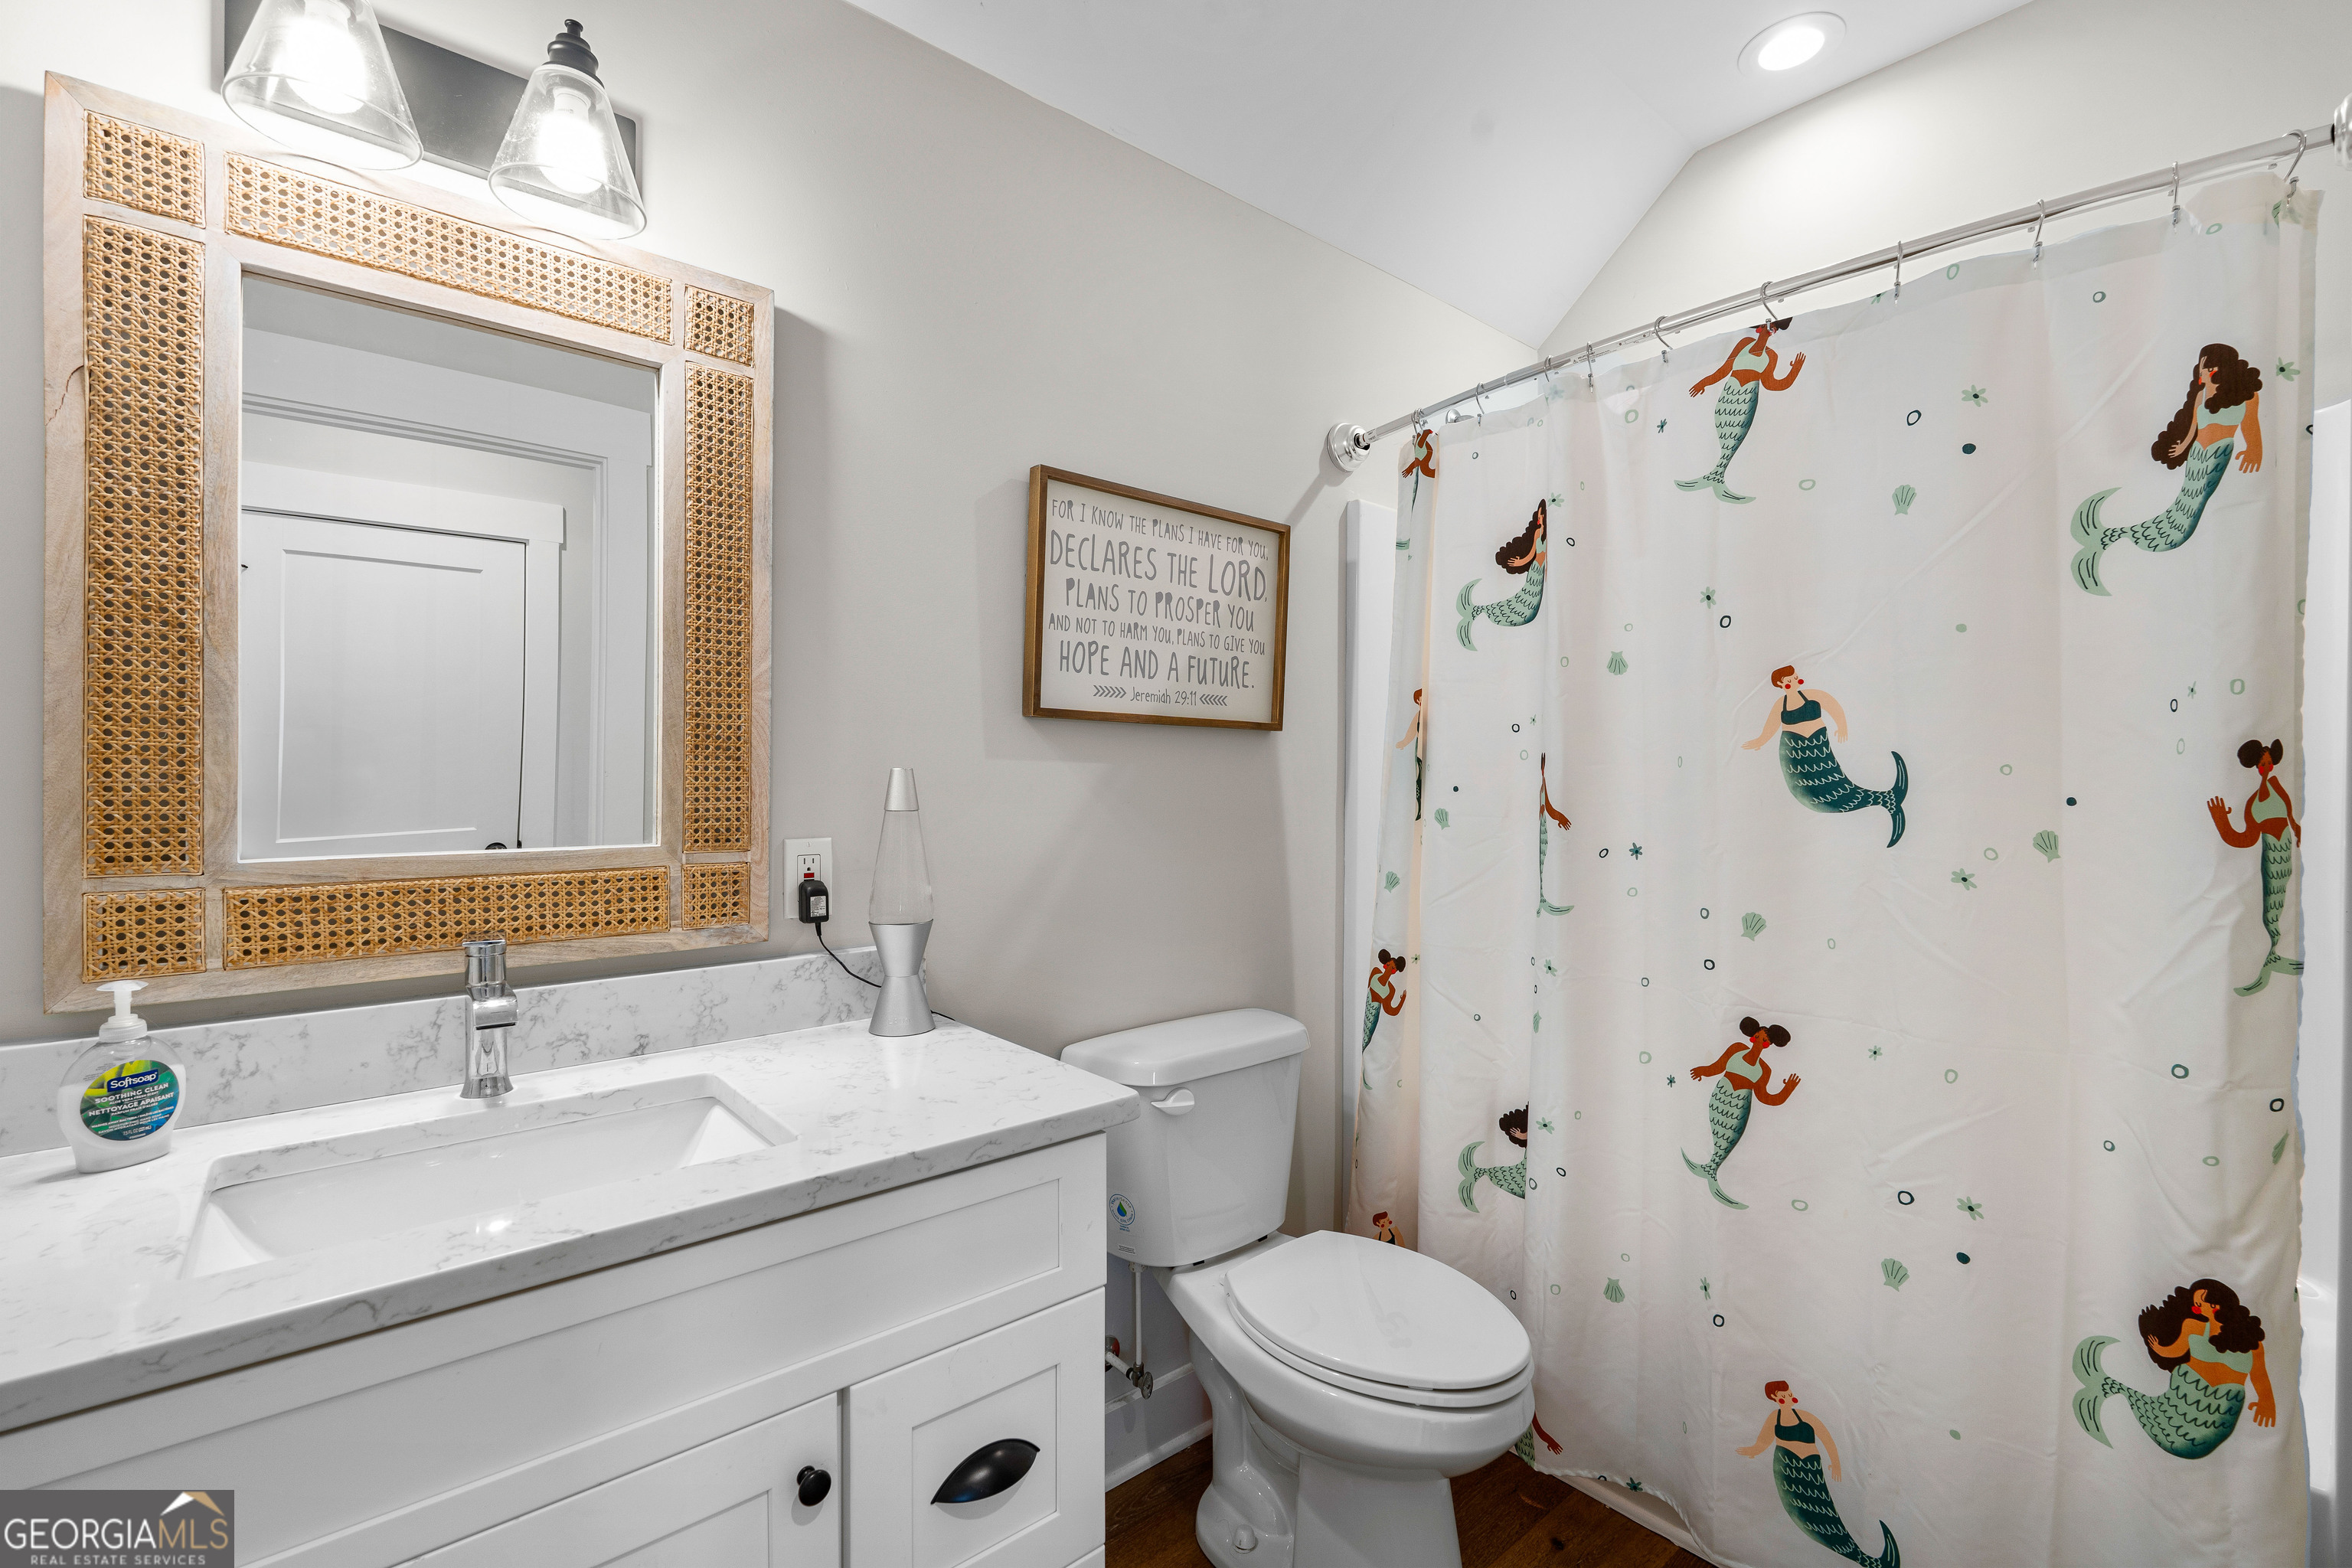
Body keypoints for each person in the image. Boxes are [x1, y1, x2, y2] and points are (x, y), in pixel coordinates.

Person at [2069, 343, 2263, 594]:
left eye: (2207, 368)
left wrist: (2254, 450)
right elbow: (2194, 427)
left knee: (2192, 508)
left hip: (2218, 454)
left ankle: (2121, 537)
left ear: (2220, 369)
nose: (2201, 374)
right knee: (2181, 503)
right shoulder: (2201, 395)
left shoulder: (2246, 396)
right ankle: (2112, 536)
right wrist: (2182, 447)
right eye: (2201, 369)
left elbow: (2252, 427)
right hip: (2197, 456)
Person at [2073, 1279, 2275, 1459]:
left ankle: (2106, 1386)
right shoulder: (2194, 1327)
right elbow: (2174, 1351)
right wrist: (2157, 1348)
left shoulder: (2250, 1341)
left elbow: (2260, 1376)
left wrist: (2267, 1401)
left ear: (2216, 1305)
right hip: (2180, 1405)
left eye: (2200, 1303)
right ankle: (2105, 1386)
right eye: (2195, 1305)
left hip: (2219, 1413)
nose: (2196, 1309)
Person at [1735, 1380, 1897, 1566]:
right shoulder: (1774, 1418)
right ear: (1774, 1398)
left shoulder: (1805, 1416)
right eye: (1783, 1396)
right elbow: (1763, 1443)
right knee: (1805, 1516)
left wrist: (1835, 1463)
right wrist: (1751, 1451)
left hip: (1811, 1469)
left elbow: (1826, 1438)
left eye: (1789, 1394)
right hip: (1788, 1469)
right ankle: (1863, 1560)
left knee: (1826, 1512)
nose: (1788, 1398)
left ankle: (1864, 1559)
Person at [1742, 665, 1907, 847]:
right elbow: (1770, 728)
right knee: (1811, 796)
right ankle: (1886, 799)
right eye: (1789, 680)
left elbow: (1833, 706)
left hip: (1818, 747)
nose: (1795, 682)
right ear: (1781, 684)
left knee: (1836, 785)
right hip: (1793, 752)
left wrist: (1841, 725)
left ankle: (1886, 798)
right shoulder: (1780, 705)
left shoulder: (1813, 695)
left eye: (1795, 678)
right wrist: (1759, 742)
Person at [2208, 738, 2303, 995]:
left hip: (2286, 852)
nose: (2268, 767)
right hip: (2272, 854)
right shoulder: (2252, 804)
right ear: (2256, 767)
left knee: (2284, 899)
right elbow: (2245, 839)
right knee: (2271, 902)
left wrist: (2296, 828)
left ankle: (2276, 955)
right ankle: (2269, 957)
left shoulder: (2277, 786)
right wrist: (2222, 823)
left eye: (2270, 762)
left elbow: (2289, 812)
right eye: (2263, 764)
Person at [1677, 318, 1805, 503]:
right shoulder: (1744, 343)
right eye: (1766, 326)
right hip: (1729, 396)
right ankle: (1716, 475)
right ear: (1759, 328)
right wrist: (1704, 382)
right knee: (1723, 432)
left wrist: (1795, 371)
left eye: (1774, 328)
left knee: (1736, 436)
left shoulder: (1772, 356)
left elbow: (1772, 384)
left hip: (1746, 399)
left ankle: (1718, 475)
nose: (1769, 330)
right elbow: (1724, 370)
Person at [1684, 1018, 1797, 1208]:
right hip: (1721, 1098)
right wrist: (1703, 1071)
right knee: (1717, 1130)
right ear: (1752, 1037)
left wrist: (1788, 1090)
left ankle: (1713, 1168)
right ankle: (1711, 1167)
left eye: (1764, 1040)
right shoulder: (1736, 1049)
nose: (1760, 1041)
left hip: (1739, 1107)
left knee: (1729, 1136)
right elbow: (1718, 1066)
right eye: (1758, 1037)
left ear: (1768, 1045)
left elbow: (1765, 1098)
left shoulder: (1764, 1070)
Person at [1456, 502, 1547, 650]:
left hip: (1540, 569)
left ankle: (1477, 611)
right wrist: (1519, 562)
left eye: (1542, 515)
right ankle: (1479, 611)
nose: (1541, 518)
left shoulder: (1545, 532)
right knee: (1525, 599)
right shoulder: (1538, 533)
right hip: (1536, 569)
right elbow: (1531, 554)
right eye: (1540, 515)